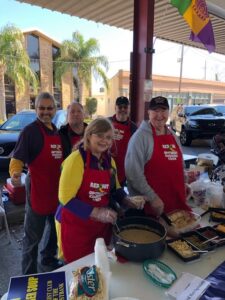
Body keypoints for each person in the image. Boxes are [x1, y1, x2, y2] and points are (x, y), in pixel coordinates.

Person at [55, 118, 144, 263]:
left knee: (98, 266)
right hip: (75, 227)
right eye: (100, 136)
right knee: (78, 270)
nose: (105, 141)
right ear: (89, 135)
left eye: (109, 137)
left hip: (99, 228)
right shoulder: (76, 160)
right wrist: (96, 212)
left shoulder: (109, 161)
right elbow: (65, 198)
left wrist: (127, 200)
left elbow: (115, 189)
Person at [9, 92, 64, 274]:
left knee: (53, 233)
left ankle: (47, 260)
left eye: (49, 108)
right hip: (38, 193)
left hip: (55, 193)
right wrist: (16, 174)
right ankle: (28, 275)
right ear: (36, 109)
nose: (46, 112)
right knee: (32, 239)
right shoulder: (30, 131)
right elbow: (17, 159)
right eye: (42, 108)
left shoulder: (56, 130)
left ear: (55, 110)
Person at [125, 96, 191, 218]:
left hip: (176, 204)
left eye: (163, 110)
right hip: (151, 209)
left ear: (169, 112)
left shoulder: (173, 135)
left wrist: (184, 183)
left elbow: (179, 165)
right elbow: (133, 174)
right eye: (155, 111)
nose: (159, 115)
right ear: (148, 112)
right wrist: (152, 197)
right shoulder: (140, 138)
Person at [109, 96, 137, 186]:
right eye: (120, 107)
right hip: (106, 167)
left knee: (119, 195)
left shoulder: (134, 128)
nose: (123, 109)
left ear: (129, 109)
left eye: (125, 107)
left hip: (124, 170)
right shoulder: (106, 122)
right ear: (115, 108)